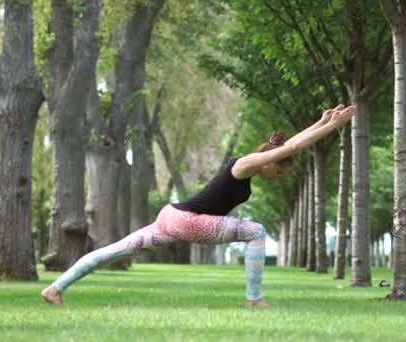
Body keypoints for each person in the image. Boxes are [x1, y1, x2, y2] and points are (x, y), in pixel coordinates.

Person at [41, 104, 356, 307]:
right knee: (256, 231)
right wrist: (333, 126)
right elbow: (293, 146)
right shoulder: (246, 163)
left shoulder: (251, 166)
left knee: (114, 251)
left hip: (172, 217)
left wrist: (322, 120)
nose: (278, 176)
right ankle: (254, 299)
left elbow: (290, 146)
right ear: (270, 162)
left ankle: (55, 289)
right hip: (188, 220)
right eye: (280, 170)